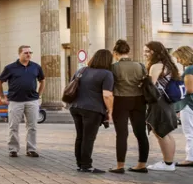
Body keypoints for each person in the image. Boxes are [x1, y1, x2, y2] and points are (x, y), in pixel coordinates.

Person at [69, 49, 114, 173]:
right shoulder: (106, 74)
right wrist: (110, 111)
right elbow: (107, 95)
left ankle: (80, 163)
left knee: (80, 136)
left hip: (75, 107)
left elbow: (72, 85)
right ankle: (86, 165)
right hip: (92, 109)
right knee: (88, 138)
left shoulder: (81, 70)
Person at [0, 45, 45, 157]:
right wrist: (2, 97)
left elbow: (42, 81)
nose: (28, 54)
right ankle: (13, 149)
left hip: (32, 101)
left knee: (32, 126)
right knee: (13, 126)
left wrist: (39, 95)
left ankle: (31, 149)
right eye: (26, 53)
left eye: (30, 52)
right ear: (19, 54)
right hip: (15, 101)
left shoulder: (36, 67)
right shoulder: (10, 68)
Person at [109, 39, 149, 174]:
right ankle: (142, 164)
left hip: (121, 100)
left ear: (115, 53)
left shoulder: (114, 67)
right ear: (128, 51)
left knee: (122, 134)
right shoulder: (140, 65)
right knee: (141, 133)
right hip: (139, 100)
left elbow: (111, 85)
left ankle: (120, 165)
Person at [145, 41, 180, 171]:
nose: (145, 54)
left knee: (160, 132)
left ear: (155, 52)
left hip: (158, 102)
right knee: (167, 133)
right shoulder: (168, 65)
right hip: (167, 102)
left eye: (148, 51)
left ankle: (167, 163)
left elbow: (151, 86)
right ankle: (169, 162)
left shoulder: (156, 66)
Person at [173, 46, 193, 167]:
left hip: (188, 104)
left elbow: (189, 89)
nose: (178, 61)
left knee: (189, 131)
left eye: (178, 58)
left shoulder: (189, 69)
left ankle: (190, 157)